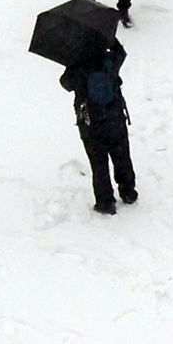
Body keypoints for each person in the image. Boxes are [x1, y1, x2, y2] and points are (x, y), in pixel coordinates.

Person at [59, 38, 137, 215]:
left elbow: (65, 84)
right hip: (115, 116)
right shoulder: (109, 60)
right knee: (122, 155)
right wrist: (111, 40)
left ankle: (105, 202)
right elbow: (121, 53)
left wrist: (70, 60)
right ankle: (128, 191)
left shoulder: (77, 66)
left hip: (90, 123)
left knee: (98, 162)